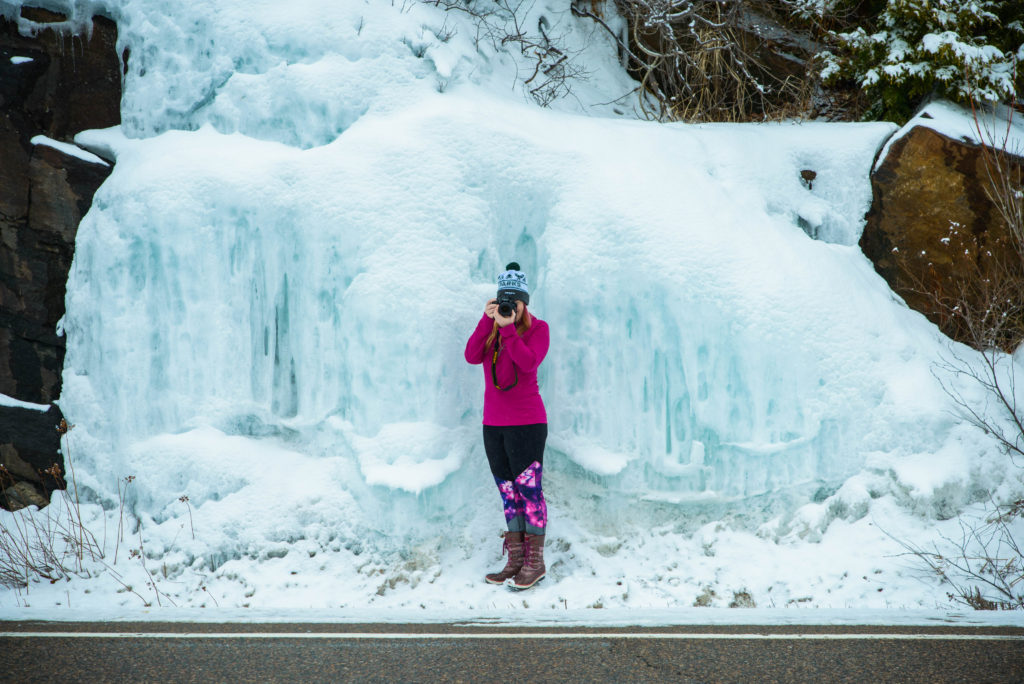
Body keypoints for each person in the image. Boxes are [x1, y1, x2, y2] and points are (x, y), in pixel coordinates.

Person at [464, 262, 550, 589]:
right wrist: (487, 322)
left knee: (529, 492)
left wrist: (509, 329)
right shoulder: (492, 330)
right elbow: (472, 355)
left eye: (514, 302)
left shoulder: (538, 329)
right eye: (504, 301)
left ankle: (535, 562)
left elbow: (527, 362)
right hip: (494, 426)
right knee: (508, 492)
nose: (508, 308)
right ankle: (515, 560)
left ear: (524, 303)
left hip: (527, 424)